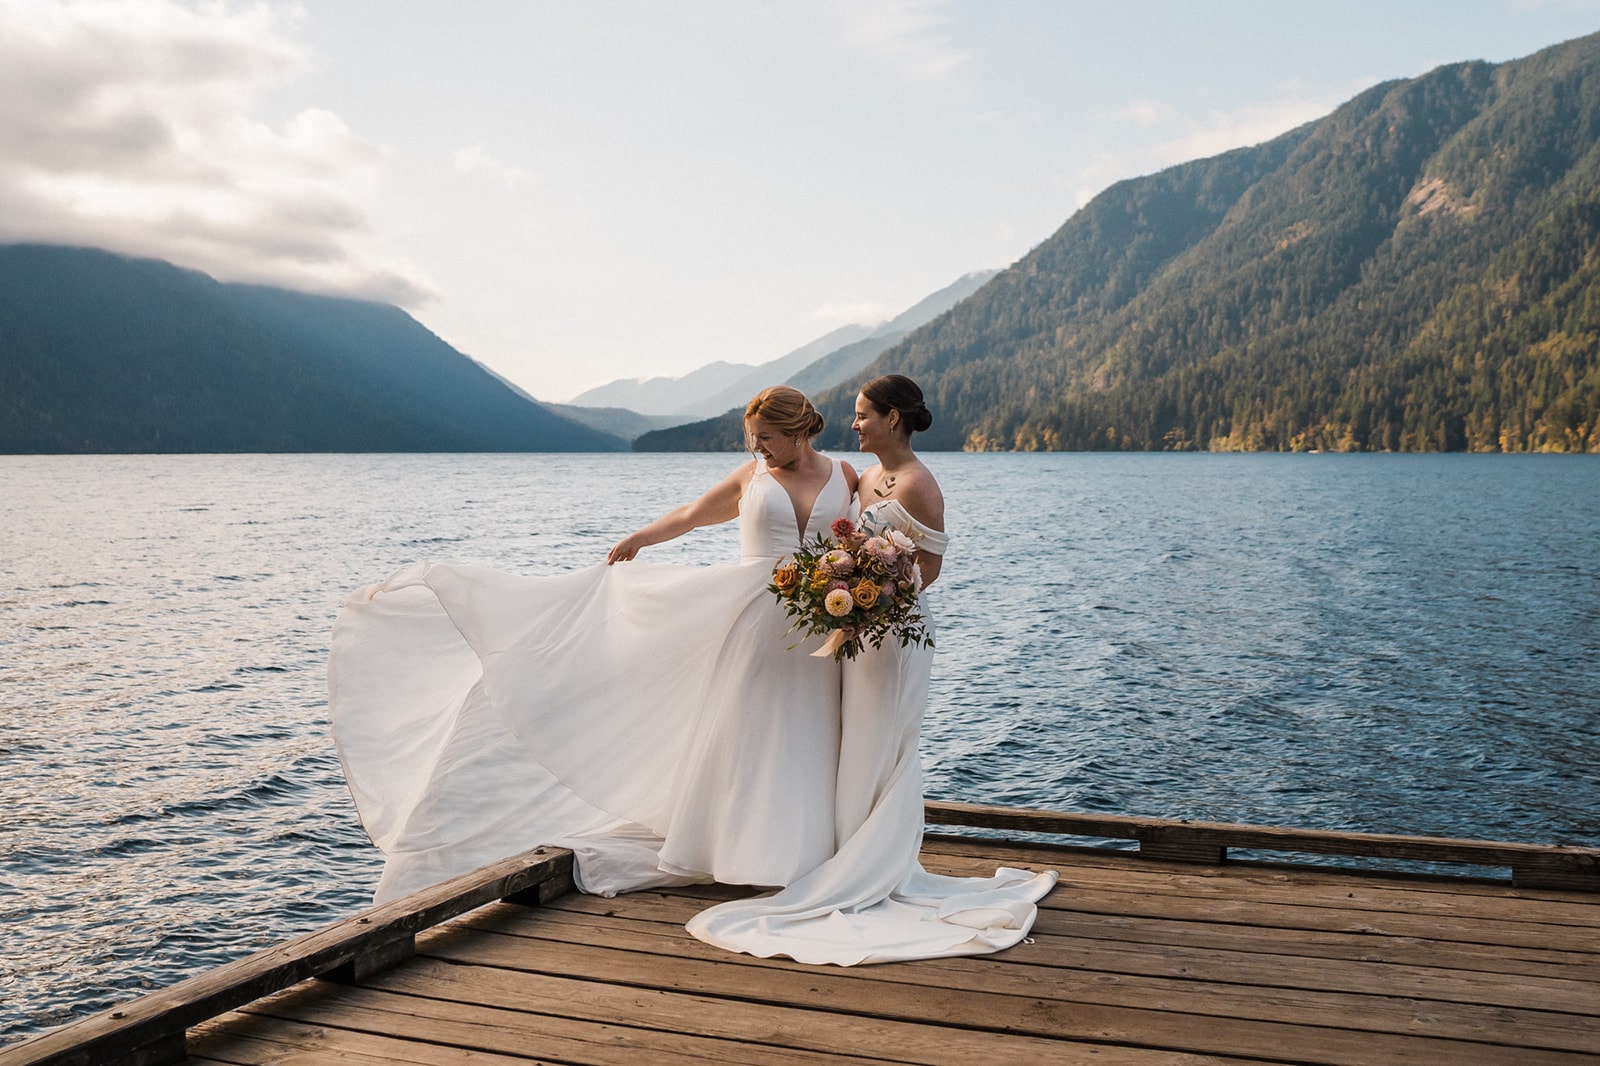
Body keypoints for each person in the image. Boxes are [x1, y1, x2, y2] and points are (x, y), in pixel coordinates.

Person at [329, 386, 857, 902]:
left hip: (818, 619)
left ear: (795, 431)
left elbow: (864, 537)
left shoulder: (845, 475)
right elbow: (693, 514)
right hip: (751, 619)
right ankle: (737, 844)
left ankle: (802, 845)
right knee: (751, 726)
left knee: (807, 724)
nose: (756, 448)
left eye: (765, 438)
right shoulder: (753, 476)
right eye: (751, 438)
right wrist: (640, 538)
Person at [687, 375, 1058, 965]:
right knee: (853, 750)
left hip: (892, 636)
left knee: (880, 749)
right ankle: (843, 856)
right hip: (858, 635)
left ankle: (871, 870)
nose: (853, 424)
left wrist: (870, 607)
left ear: (892, 418)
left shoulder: (918, 483)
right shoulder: (864, 479)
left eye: (863, 415)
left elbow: (928, 568)